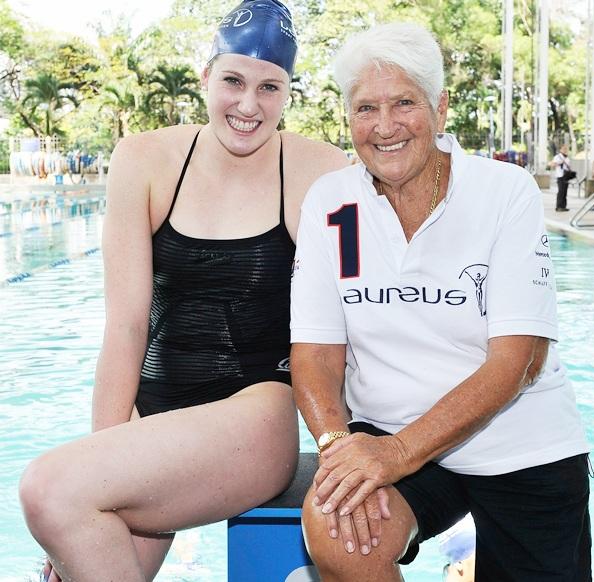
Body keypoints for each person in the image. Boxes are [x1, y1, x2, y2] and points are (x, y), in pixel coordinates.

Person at [18, 2, 348, 581]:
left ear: (289, 92)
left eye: (269, 88)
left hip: (255, 414)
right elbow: (125, 324)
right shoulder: (143, 160)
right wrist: (98, 465)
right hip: (154, 417)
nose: (249, 105)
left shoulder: (318, 169)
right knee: (73, 540)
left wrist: (349, 449)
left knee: (46, 490)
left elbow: (347, 322)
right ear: (205, 76)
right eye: (234, 81)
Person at [290, 22, 591, 582]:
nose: (384, 127)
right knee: (337, 531)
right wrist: (338, 450)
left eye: (404, 103)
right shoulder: (334, 205)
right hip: (389, 426)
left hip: (519, 439)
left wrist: (399, 454)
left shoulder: (503, 191)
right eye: (365, 108)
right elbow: (316, 350)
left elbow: (518, 360)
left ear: (440, 107)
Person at [549, 143, 572, 211]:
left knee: (565, 192)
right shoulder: (558, 157)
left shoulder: (567, 158)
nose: (565, 150)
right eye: (563, 149)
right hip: (560, 176)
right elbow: (551, 164)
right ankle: (558, 206)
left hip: (566, 176)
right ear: (560, 150)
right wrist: (558, 163)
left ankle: (563, 206)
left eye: (566, 149)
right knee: (561, 191)